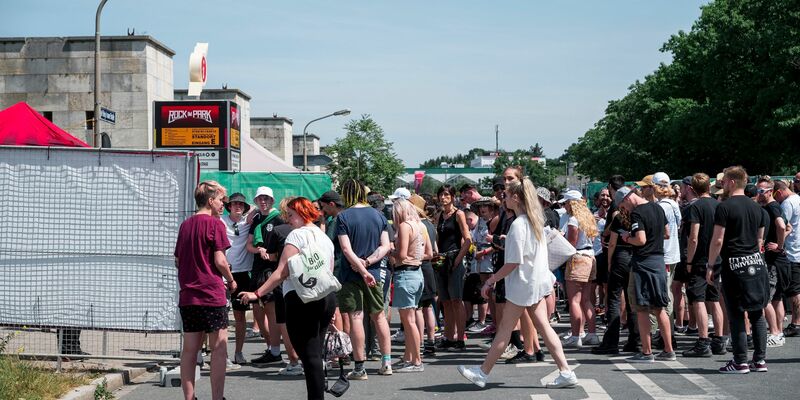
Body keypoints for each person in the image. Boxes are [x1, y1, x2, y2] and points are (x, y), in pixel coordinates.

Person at [457, 178, 577, 389]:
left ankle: (482, 373)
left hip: (523, 284)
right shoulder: (533, 221)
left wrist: (491, 281)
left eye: (506, 195)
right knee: (542, 327)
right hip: (536, 282)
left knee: (505, 328)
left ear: (516, 198)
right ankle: (565, 371)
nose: (503, 198)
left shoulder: (519, 224)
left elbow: (513, 261)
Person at [239, 197, 336, 400]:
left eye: (291, 215)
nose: (288, 220)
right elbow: (329, 269)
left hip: (302, 298)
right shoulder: (323, 236)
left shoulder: (297, 236)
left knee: (308, 355)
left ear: (301, 214)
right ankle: (317, 391)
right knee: (314, 354)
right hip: (325, 296)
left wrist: (257, 293)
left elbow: (281, 272)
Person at [705, 166, 769, 373]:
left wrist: (710, 265)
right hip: (756, 263)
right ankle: (759, 360)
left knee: (736, 313)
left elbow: (718, 239)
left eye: (723, 182)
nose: (721, 185)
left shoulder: (724, 207)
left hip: (734, 263)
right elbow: (760, 239)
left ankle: (740, 361)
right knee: (757, 312)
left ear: (732, 182)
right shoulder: (757, 208)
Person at [175, 181, 234, 400]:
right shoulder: (215, 225)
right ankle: (217, 397)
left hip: (188, 295)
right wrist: (231, 279)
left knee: (190, 350)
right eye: (221, 200)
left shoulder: (186, 225)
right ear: (210, 201)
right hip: (211, 294)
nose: (223, 205)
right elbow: (220, 260)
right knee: (219, 349)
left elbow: (177, 260)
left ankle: (189, 397)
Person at [336, 179, 393, 379]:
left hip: (351, 274)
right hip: (375, 273)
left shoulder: (343, 217)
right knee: (379, 316)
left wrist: (360, 267)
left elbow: (345, 248)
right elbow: (385, 246)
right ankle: (387, 362)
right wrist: (368, 264)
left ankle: (359, 368)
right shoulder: (379, 215)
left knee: (356, 317)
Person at [617, 185, 676, 362]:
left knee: (641, 308)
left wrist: (627, 237)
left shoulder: (637, 213)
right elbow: (667, 233)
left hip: (643, 263)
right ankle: (668, 350)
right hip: (659, 261)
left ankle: (647, 352)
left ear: (627, 198)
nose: (624, 209)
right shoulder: (658, 208)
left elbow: (640, 239)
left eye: (622, 205)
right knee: (660, 307)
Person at [681, 173, 726, 357]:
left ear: (692, 188)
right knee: (714, 300)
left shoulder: (696, 207)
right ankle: (719, 339)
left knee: (698, 299)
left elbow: (693, 237)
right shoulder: (719, 205)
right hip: (717, 258)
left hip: (700, 259)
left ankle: (702, 341)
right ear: (710, 186)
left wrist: (689, 261)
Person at [592, 186, 639, 355]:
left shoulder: (619, 218)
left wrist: (610, 262)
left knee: (613, 299)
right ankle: (635, 340)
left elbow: (611, 242)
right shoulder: (637, 216)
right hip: (634, 256)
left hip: (620, 256)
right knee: (632, 300)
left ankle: (611, 341)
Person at [390, 198, 433, 372]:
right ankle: (409, 357)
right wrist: (414, 257)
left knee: (408, 321)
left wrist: (389, 250)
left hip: (406, 274)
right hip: (418, 273)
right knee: (412, 318)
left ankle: (416, 360)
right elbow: (430, 253)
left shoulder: (404, 226)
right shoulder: (421, 225)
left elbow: (400, 255)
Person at [245, 186, 287, 365]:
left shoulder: (278, 219)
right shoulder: (256, 219)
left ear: (272, 200)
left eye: (266, 199)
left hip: (272, 270)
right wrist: (258, 249)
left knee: (271, 310)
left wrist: (270, 255)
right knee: (258, 310)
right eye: (260, 199)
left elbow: (284, 248)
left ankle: (276, 350)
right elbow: (249, 245)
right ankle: (271, 347)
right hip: (257, 268)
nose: (263, 201)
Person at [560, 189, 600, 347]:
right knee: (586, 300)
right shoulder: (589, 217)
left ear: (570, 203)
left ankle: (576, 335)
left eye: (566, 203)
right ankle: (592, 333)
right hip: (590, 257)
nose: (565, 206)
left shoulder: (573, 220)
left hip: (577, 258)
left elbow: (571, 244)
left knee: (574, 301)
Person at [434, 184, 472, 352]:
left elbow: (468, 239)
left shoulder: (459, 214)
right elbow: (436, 237)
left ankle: (460, 338)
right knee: (446, 301)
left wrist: (458, 259)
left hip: (454, 257)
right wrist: (435, 253)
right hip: (441, 259)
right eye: (441, 195)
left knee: (457, 300)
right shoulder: (439, 215)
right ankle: (449, 337)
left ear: (453, 197)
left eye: (447, 195)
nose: (443, 198)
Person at [221, 193, 254, 366]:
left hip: (242, 274)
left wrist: (250, 215)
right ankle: (221, 354)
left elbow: (261, 209)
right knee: (220, 317)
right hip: (222, 273)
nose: (238, 206)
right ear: (229, 206)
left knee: (240, 317)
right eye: (234, 204)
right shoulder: (221, 221)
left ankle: (239, 352)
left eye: (241, 204)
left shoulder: (248, 223)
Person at [756, 177, 789, 347]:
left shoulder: (772, 206)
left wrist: (779, 246)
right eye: (757, 191)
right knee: (776, 298)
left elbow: (783, 227)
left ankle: (774, 332)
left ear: (770, 191)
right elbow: (789, 228)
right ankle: (779, 333)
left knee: (766, 299)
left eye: (762, 191)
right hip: (776, 259)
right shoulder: (771, 206)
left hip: (774, 260)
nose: (759, 194)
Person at [773, 180, 800, 337]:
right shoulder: (797, 199)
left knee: (794, 291)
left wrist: (779, 246)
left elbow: (782, 227)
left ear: (779, 192)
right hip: (796, 250)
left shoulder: (787, 204)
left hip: (792, 252)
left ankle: (795, 323)